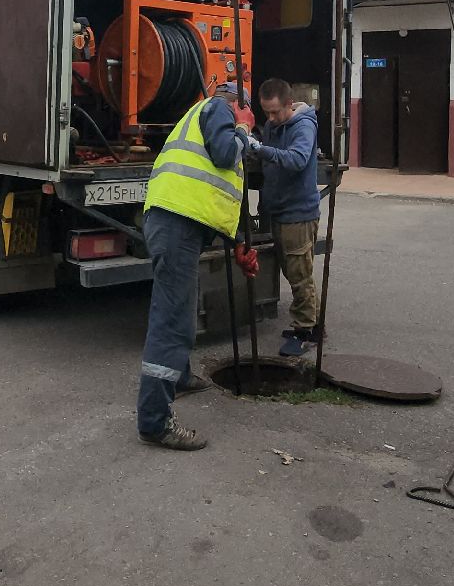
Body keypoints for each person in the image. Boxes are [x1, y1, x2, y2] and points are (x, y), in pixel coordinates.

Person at [136, 80, 250, 451]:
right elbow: (222, 156)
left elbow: (215, 188)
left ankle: (179, 376)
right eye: (244, 111)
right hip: (176, 224)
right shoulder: (219, 111)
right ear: (235, 103)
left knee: (180, 306)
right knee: (173, 320)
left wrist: (234, 242)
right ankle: (155, 421)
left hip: (176, 222)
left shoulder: (200, 114)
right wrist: (244, 129)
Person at [244, 78, 321, 357]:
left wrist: (260, 149)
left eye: (275, 112)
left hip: (298, 213)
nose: (271, 118)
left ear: (289, 104)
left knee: (300, 274)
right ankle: (312, 324)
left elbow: (297, 159)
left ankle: (305, 331)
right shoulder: (273, 126)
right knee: (293, 271)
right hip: (278, 210)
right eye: (266, 112)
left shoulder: (303, 125)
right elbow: (269, 159)